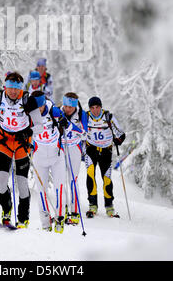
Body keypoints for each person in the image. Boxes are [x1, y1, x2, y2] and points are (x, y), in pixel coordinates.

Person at [0, 71, 44, 229]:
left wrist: (28, 132)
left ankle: (23, 218)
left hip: (22, 143)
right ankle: (6, 211)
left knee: (22, 183)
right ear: (5, 87)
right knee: (1, 181)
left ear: (20, 88)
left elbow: (39, 125)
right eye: (10, 88)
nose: (13, 92)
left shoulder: (28, 99)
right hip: (5, 141)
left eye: (16, 88)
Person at [30, 90, 67, 233]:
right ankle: (45, 223)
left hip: (57, 156)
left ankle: (59, 219)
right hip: (39, 157)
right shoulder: (29, 114)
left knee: (59, 189)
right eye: (35, 107)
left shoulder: (54, 110)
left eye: (40, 107)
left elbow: (67, 124)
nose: (38, 110)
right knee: (41, 192)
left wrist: (64, 122)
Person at [84, 96, 126, 217]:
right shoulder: (86, 117)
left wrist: (119, 140)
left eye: (97, 107)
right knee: (90, 174)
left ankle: (109, 206)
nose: (95, 110)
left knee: (106, 179)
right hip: (91, 149)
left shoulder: (108, 117)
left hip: (106, 151)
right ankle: (92, 205)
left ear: (101, 107)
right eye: (92, 108)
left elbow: (121, 133)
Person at [60, 92, 88, 225]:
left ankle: (75, 211)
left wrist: (72, 127)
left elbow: (85, 135)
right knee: (60, 179)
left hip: (74, 148)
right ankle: (63, 209)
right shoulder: (58, 111)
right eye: (65, 106)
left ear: (75, 106)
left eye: (70, 107)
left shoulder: (81, 114)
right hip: (60, 148)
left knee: (73, 179)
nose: (67, 109)